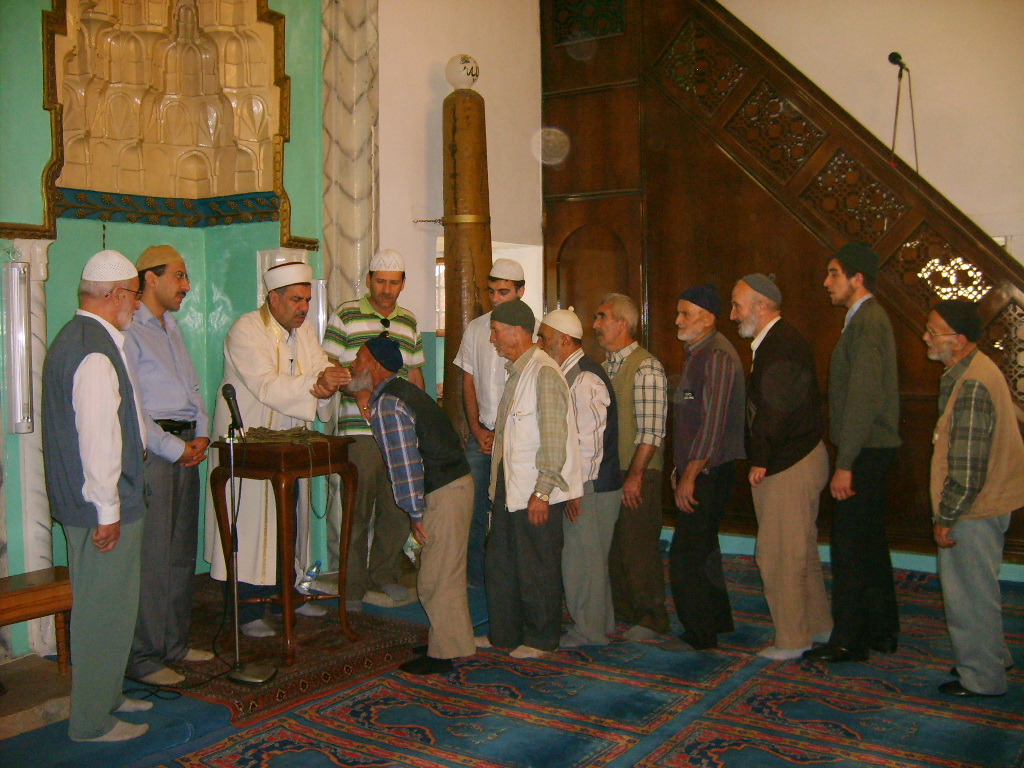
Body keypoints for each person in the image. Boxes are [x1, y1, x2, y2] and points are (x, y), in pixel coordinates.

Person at [204, 262, 349, 638]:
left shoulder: (304, 333)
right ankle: (247, 608)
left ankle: (289, 594)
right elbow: (266, 385)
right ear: (273, 298)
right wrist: (314, 387)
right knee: (250, 528)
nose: (303, 307)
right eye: (296, 300)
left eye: (307, 299)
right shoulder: (246, 330)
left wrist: (330, 381)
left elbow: (319, 368)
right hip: (249, 445)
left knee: (291, 523)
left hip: (288, 447)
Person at [42, 249, 151, 741]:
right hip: (101, 508)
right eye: (133, 295)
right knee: (102, 611)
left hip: (96, 504)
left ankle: (105, 695)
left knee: (110, 605)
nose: (136, 306)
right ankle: (91, 720)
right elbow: (98, 439)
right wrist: (108, 509)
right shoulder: (91, 349)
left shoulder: (83, 338)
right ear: (116, 295)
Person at [350, 334, 475, 674]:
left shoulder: (388, 403)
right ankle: (451, 641)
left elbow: (403, 465)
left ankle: (443, 655)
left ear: (375, 366)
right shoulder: (403, 391)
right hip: (454, 485)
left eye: (359, 359)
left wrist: (415, 514)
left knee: (435, 577)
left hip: (445, 491)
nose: (353, 365)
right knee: (445, 571)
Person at [805, 243, 901, 663]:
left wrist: (845, 465)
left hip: (864, 452)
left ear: (857, 277)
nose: (827, 283)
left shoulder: (869, 320)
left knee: (849, 548)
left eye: (834, 274)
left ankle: (849, 638)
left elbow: (863, 395)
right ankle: (881, 629)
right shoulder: (863, 319)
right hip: (868, 450)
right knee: (870, 544)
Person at [924, 300, 1024, 697]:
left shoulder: (973, 384)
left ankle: (982, 679)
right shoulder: (972, 369)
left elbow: (966, 469)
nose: (926, 338)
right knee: (981, 588)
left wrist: (946, 517)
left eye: (934, 332)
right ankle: (992, 657)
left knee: (968, 596)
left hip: (974, 509)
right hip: (988, 502)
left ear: (960, 341)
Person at [123, 245, 212, 686]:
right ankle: (144, 656)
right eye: (178, 276)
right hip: (156, 454)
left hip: (186, 449)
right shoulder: (130, 331)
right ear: (150, 279)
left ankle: (174, 644)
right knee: (152, 558)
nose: (187, 285)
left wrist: (201, 434)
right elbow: (134, 408)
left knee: (179, 553)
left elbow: (192, 388)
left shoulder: (171, 327)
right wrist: (173, 449)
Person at [731, 274, 832, 660]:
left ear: (761, 306)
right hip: (797, 455)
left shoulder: (780, 344)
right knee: (800, 551)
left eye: (738, 305)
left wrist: (760, 459)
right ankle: (818, 626)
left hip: (788, 462)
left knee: (777, 554)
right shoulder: (777, 340)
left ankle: (792, 639)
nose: (733, 313)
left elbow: (774, 410)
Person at [322, 249, 426, 610]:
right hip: (359, 431)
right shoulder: (347, 315)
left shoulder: (409, 322)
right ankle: (351, 587)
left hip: (399, 432)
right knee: (356, 509)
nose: (386, 289)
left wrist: (423, 421)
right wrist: (361, 390)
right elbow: (331, 369)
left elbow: (414, 375)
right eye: (380, 281)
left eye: (393, 282)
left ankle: (385, 575)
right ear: (368, 280)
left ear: (402, 284)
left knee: (397, 508)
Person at [482, 299, 583, 658]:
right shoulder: (518, 371)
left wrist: (542, 492)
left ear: (516, 332)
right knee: (502, 564)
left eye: (495, 332)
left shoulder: (544, 372)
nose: (492, 339)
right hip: (509, 490)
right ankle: (505, 635)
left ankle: (541, 639)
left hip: (534, 494)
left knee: (536, 567)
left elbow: (555, 439)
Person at [536, 308, 622, 647]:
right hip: (588, 485)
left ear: (565, 340)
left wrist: (576, 491)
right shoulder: (567, 373)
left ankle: (588, 631)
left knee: (580, 559)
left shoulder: (585, 379)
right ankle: (601, 623)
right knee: (591, 558)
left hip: (591, 486)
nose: (539, 343)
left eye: (544, 338)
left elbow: (590, 445)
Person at [667, 285, 745, 652]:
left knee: (687, 556)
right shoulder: (697, 352)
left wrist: (689, 477)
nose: (677, 320)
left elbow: (712, 426)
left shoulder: (715, 355)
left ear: (707, 318)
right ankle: (717, 620)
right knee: (704, 549)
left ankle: (699, 634)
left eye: (685, 313)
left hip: (708, 473)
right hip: (700, 470)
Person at [593, 293, 669, 641]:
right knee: (615, 547)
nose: (595, 325)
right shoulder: (606, 366)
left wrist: (635, 476)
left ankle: (652, 618)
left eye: (602, 317)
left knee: (639, 547)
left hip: (638, 473)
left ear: (622, 323)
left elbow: (651, 432)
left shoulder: (645, 367)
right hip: (610, 472)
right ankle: (625, 611)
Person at [453, 258, 527, 589]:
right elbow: (468, 383)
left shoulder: (532, 329)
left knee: (513, 511)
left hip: (519, 440)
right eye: (492, 291)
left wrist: (502, 435)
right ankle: (475, 580)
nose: (496, 298)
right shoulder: (476, 328)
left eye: (504, 292)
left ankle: (509, 580)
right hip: (481, 436)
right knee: (473, 510)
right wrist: (479, 430)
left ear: (521, 292)